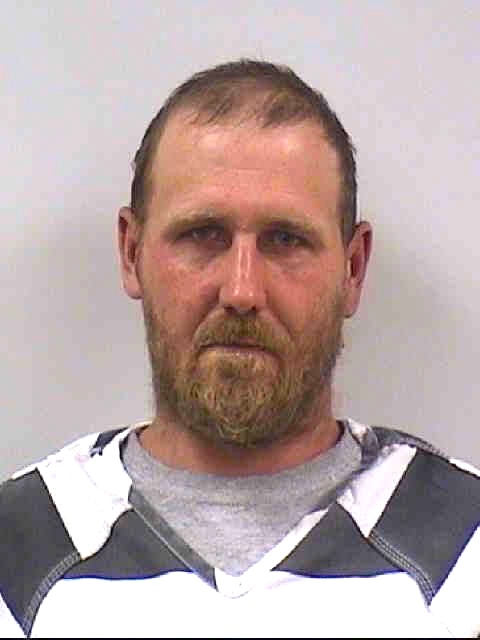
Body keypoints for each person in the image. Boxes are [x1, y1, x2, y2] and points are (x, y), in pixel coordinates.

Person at [1, 59, 479, 639]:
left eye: (286, 239)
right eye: (203, 235)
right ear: (131, 253)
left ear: (353, 268)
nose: (242, 291)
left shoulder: (464, 549)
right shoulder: (17, 558)